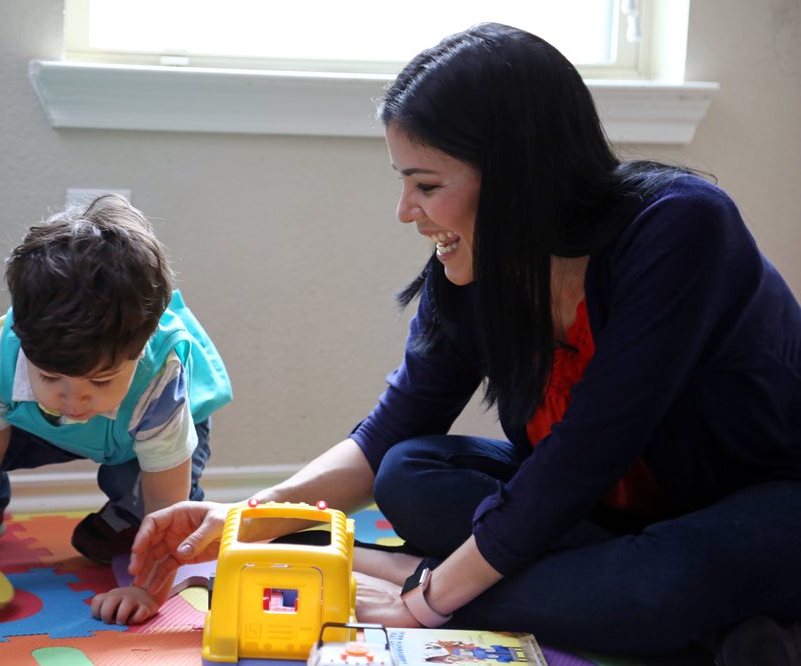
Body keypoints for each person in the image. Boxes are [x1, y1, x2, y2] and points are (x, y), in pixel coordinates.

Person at [122, 23, 801, 663]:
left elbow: (588, 452)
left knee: (657, 585)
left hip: (756, 502)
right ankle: (683, 620)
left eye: (426, 185)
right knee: (411, 472)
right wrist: (250, 520)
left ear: (514, 181)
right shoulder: (474, 268)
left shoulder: (681, 231)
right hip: (607, 520)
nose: (405, 211)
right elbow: (393, 430)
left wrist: (427, 598)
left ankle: (466, 577)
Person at [0, 194, 232, 624]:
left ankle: (126, 516)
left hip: (137, 436)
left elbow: (167, 499)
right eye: (51, 378)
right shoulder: (3, 346)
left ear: (139, 351)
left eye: (101, 381)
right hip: (35, 424)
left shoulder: (160, 377)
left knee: (148, 516)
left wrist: (147, 587)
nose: (74, 401)